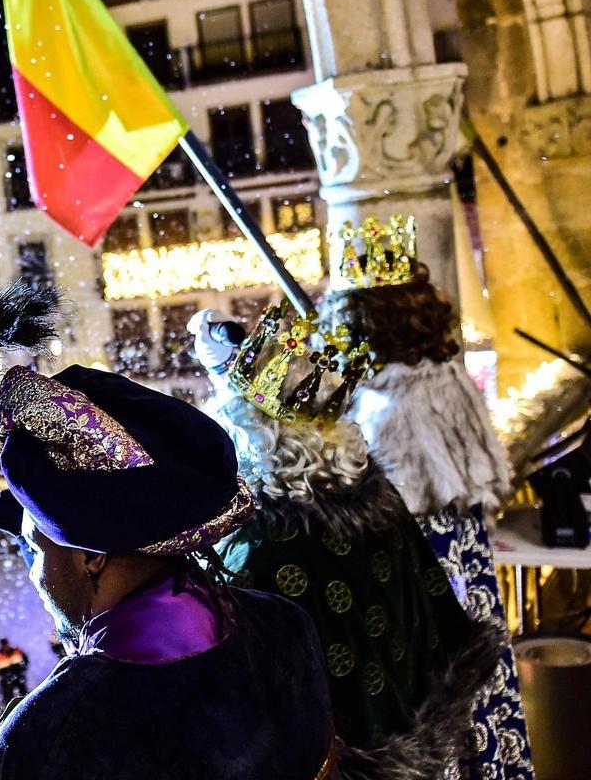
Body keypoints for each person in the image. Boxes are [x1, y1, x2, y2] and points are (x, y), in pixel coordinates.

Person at [0, 282, 337, 780]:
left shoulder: (51, 736)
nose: (36, 576)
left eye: (35, 553)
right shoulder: (286, 629)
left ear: (93, 556)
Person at [193, 299, 501, 780]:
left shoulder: (256, 545)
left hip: (339, 762)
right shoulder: (378, 495)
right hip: (417, 729)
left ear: (241, 433)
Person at [320, 216, 533, 778]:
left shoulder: (383, 410)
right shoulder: (448, 375)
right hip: (468, 551)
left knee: (438, 691)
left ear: (360, 321)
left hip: (422, 567)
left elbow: (383, 507)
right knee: (481, 688)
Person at [0, 638, 30, 705]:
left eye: (5, 644)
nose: (5, 646)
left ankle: (26, 705)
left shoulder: (16, 651)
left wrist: (23, 669)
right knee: (8, 698)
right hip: (6, 679)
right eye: (3, 644)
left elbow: (25, 660)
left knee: (24, 695)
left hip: (18, 676)